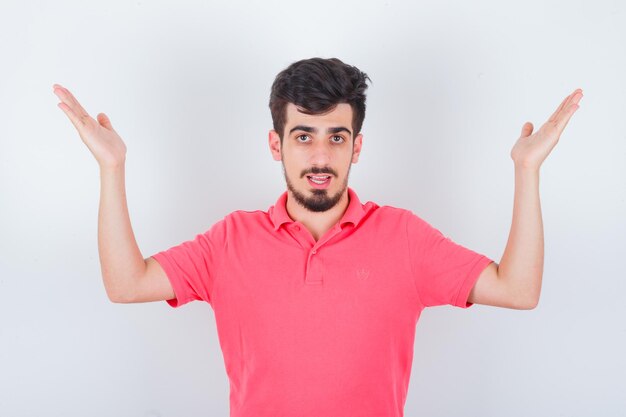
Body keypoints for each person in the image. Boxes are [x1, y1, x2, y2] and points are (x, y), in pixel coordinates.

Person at [53, 57, 583, 417]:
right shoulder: (229, 241)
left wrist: (527, 171)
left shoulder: (403, 236)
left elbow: (518, 290)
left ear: (356, 147)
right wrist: (112, 167)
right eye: (303, 136)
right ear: (276, 143)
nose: (321, 158)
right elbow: (126, 283)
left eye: (337, 137)